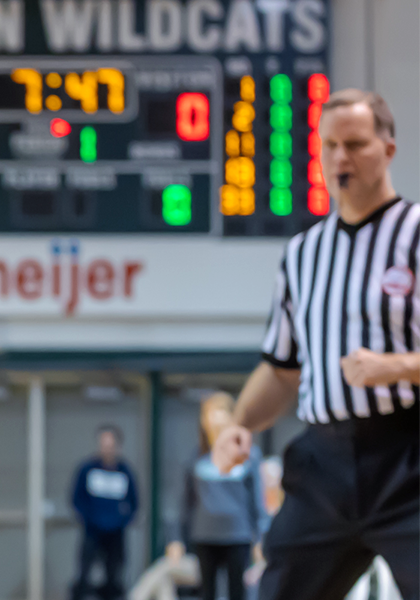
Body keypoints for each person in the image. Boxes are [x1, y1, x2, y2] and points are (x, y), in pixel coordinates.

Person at [214, 88, 420, 600]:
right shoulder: (303, 253)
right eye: (329, 145)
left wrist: (395, 366)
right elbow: (281, 368)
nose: (340, 158)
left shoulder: (416, 234)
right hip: (324, 466)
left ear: (388, 149)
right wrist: (239, 424)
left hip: (408, 456)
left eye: (354, 143)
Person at [165, 393, 267, 600]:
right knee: (207, 593)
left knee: (238, 592)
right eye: (212, 414)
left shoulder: (250, 456)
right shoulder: (195, 457)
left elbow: (257, 501)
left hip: (238, 536)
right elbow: (184, 502)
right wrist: (175, 538)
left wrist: (261, 538)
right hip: (204, 536)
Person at [72, 425, 138, 600]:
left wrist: (121, 521)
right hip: (92, 532)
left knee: (113, 577)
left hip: (116, 534)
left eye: (110, 444)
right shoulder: (88, 469)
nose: (107, 448)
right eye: (103, 444)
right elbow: (77, 499)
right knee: (84, 575)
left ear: (117, 446)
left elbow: (134, 502)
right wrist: (89, 518)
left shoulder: (125, 471)